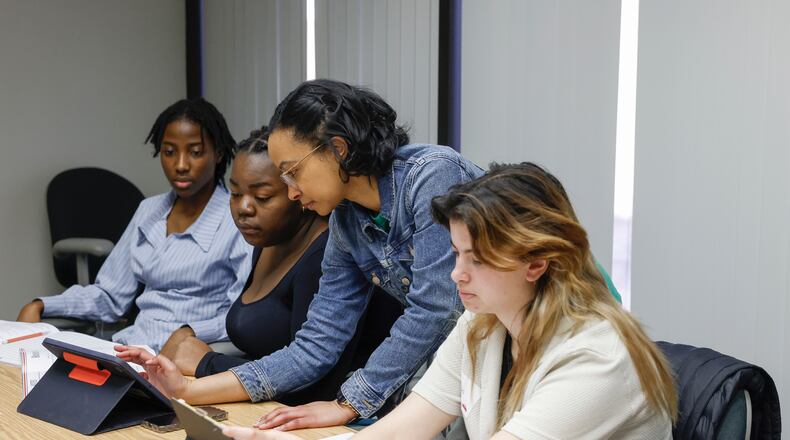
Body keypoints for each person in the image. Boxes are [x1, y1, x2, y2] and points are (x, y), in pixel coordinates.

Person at [121, 79, 485, 429]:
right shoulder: (345, 220)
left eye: (293, 172)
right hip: (457, 366)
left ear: (338, 149)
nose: (292, 192)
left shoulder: (432, 176)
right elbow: (315, 346)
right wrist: (186, 390)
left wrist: (348, 403)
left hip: (506, 353)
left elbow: (435, 308)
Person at [223, 163, 677, 440]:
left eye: (476, 259)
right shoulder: (483, 323)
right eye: (457, 254)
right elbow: (400, 431)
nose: (457, 274)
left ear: (536, 263)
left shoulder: (597, 357)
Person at [120, 127, 400, 404]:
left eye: (262, 197)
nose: (244, 208)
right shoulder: (267, 242)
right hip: (264, 399)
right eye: (235, 193)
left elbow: (313, 384)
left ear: (298, 193)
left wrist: (207, 363)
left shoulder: (324, 255)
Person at [17, 98, 252, 352]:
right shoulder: (149, 211)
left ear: (218, 153)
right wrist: (42, 304)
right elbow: (110, 295)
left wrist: (190, 333)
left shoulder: (238, 220)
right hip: (130, 349)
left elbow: (240, 317)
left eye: (195, 152)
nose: (180, 165)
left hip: (188, 357)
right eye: (169, 152)